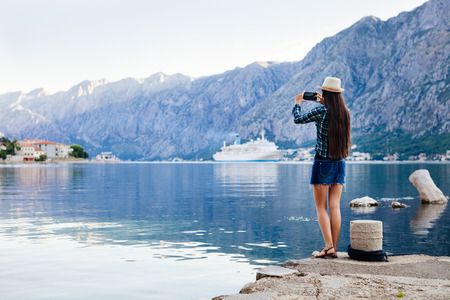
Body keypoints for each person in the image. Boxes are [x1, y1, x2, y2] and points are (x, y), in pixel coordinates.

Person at [292, 76, 351, 258]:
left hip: (322, 163)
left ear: (324, 93)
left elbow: (298, 119)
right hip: (340, 162)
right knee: (335, 206)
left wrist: (298, 103)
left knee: (321, 208)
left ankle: (328, 246)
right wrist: (325, 102)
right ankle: (334, 248)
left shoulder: (321, 112)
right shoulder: (345, 113)